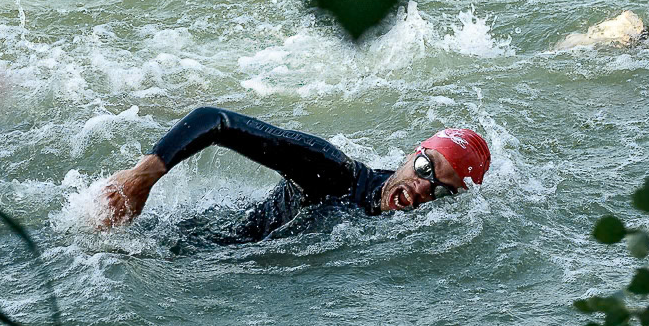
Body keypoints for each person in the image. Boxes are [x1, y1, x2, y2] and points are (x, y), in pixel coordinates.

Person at [96, 107, 491, 243]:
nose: (423, 188)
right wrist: (143, 176)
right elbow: (215, 121)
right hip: (201, 249)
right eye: (426, 169)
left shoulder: (405, 231)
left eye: (441, 192)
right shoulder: (334, 174)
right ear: (413, 153)